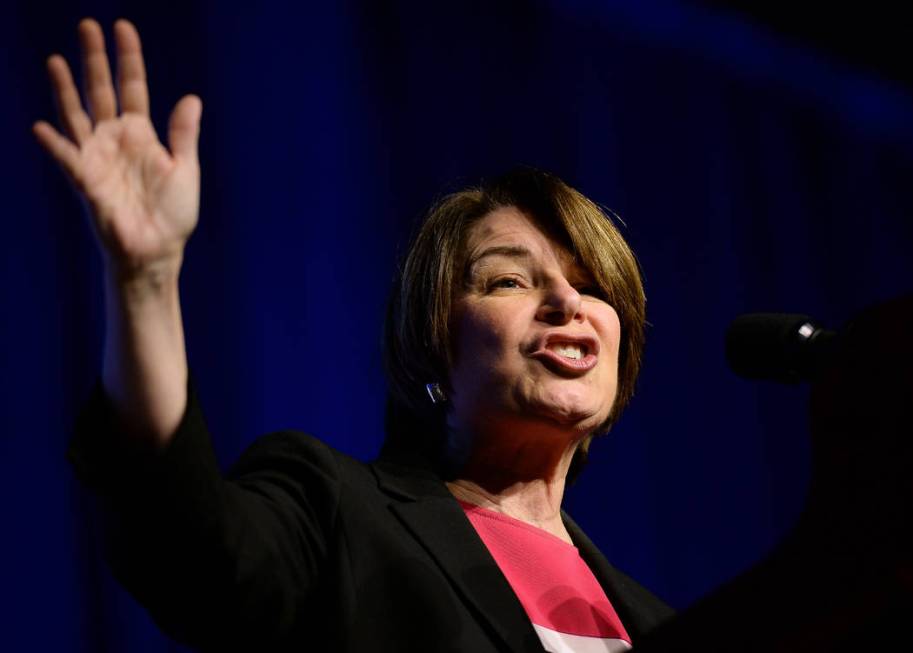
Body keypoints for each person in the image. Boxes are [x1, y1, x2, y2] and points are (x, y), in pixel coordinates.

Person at [35, 18, 673, 653]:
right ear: (434, 342)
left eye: (591, 286)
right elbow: (194, 555)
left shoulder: (661, 622)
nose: (568, 302)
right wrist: (146, 278)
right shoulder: (338, 511)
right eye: (509, 281)